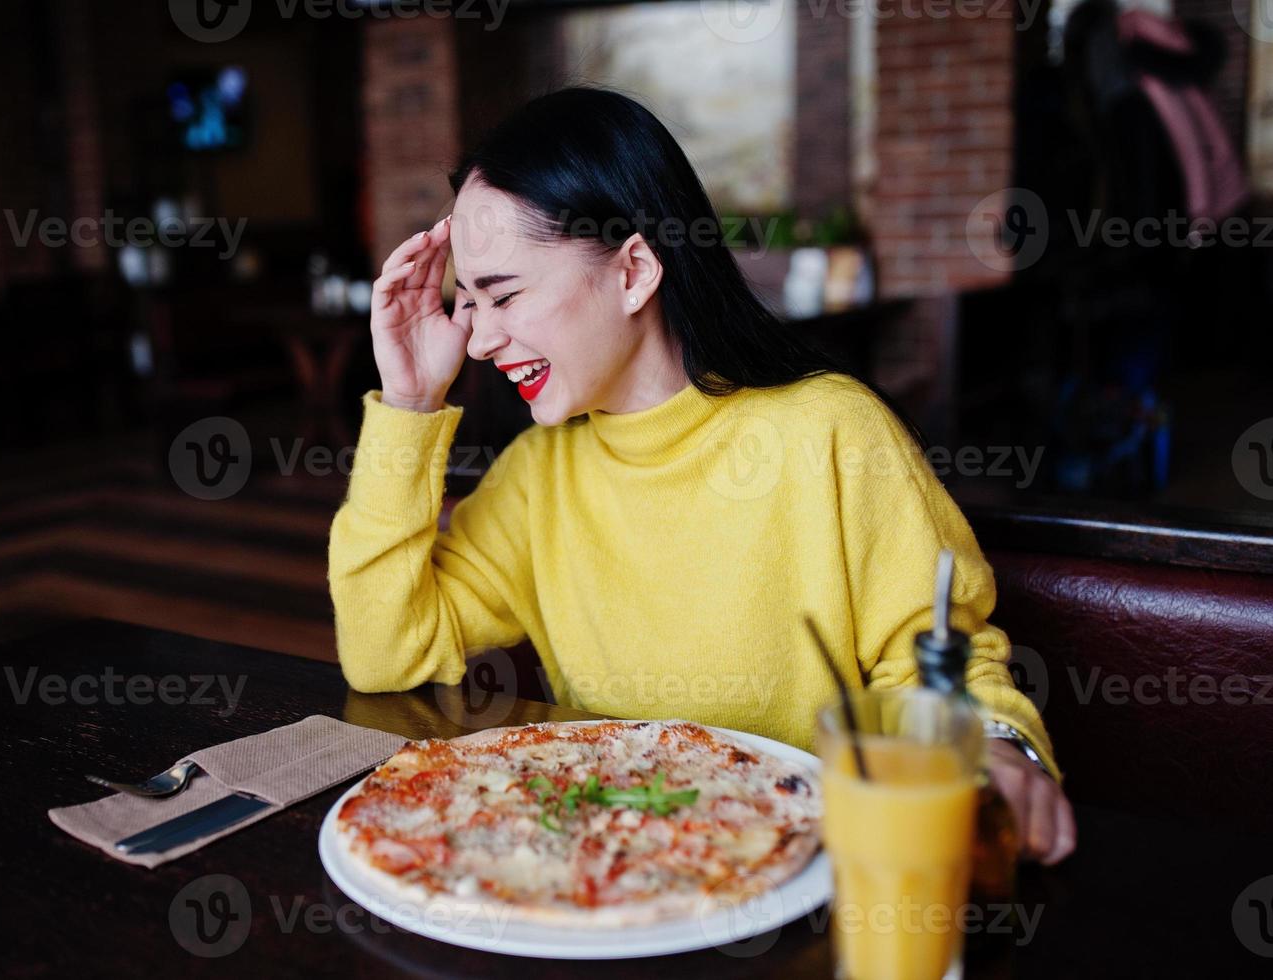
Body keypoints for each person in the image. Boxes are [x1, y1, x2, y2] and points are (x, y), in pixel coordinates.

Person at [328, 88, 1075, 864]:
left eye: (504, 295)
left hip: (810, 863)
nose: (478, 341)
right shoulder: (533, 477)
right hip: (614, 871)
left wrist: (991, 750)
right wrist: (410, 405)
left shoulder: (828, 429)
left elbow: (940, 655)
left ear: (634, 270)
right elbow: (386, 655)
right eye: (466, 303)